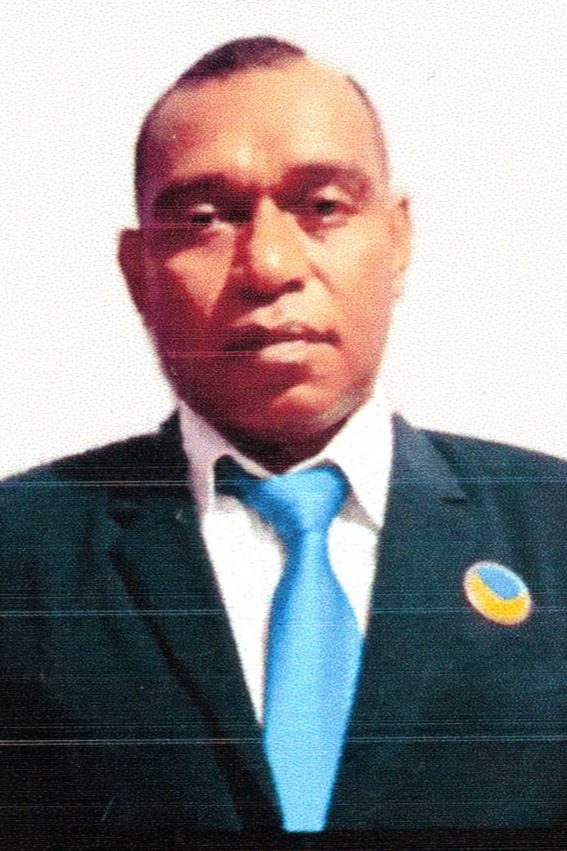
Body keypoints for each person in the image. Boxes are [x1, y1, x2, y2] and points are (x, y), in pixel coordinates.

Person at [2, 35, 567, 851]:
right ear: (137, 271)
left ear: (398, 239)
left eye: (322, 206)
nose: (268, 266)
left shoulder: (551, 530)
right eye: (204, 219)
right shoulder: (20, 554)